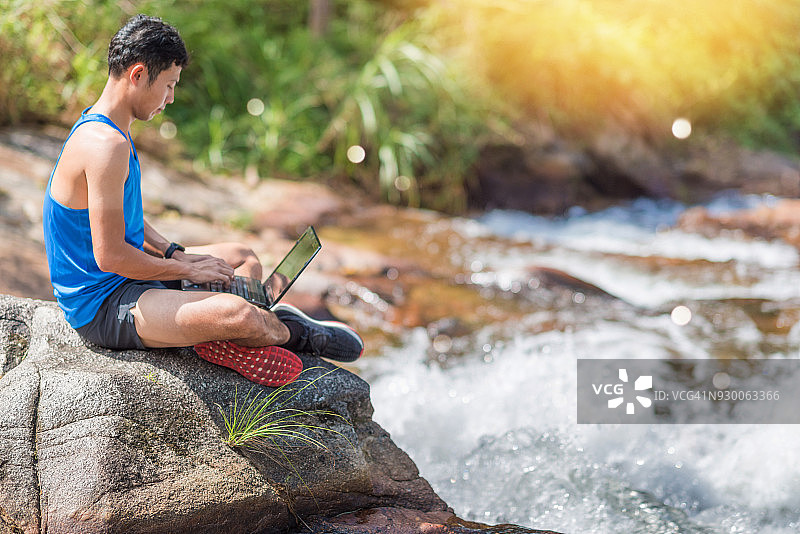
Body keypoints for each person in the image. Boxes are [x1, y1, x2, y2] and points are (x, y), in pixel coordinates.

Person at [42, 14, 362, 385]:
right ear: (139, 75)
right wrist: (187, 271)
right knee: (239, 315)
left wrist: (173, 252)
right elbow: (110, 256)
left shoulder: (111, 130)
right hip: (102, 305)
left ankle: (221, 330)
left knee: (243, 256)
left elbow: (118, 215)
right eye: (169, 85)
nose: (171, 98)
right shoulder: (104, 146)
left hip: (132, 278)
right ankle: (291, 331)